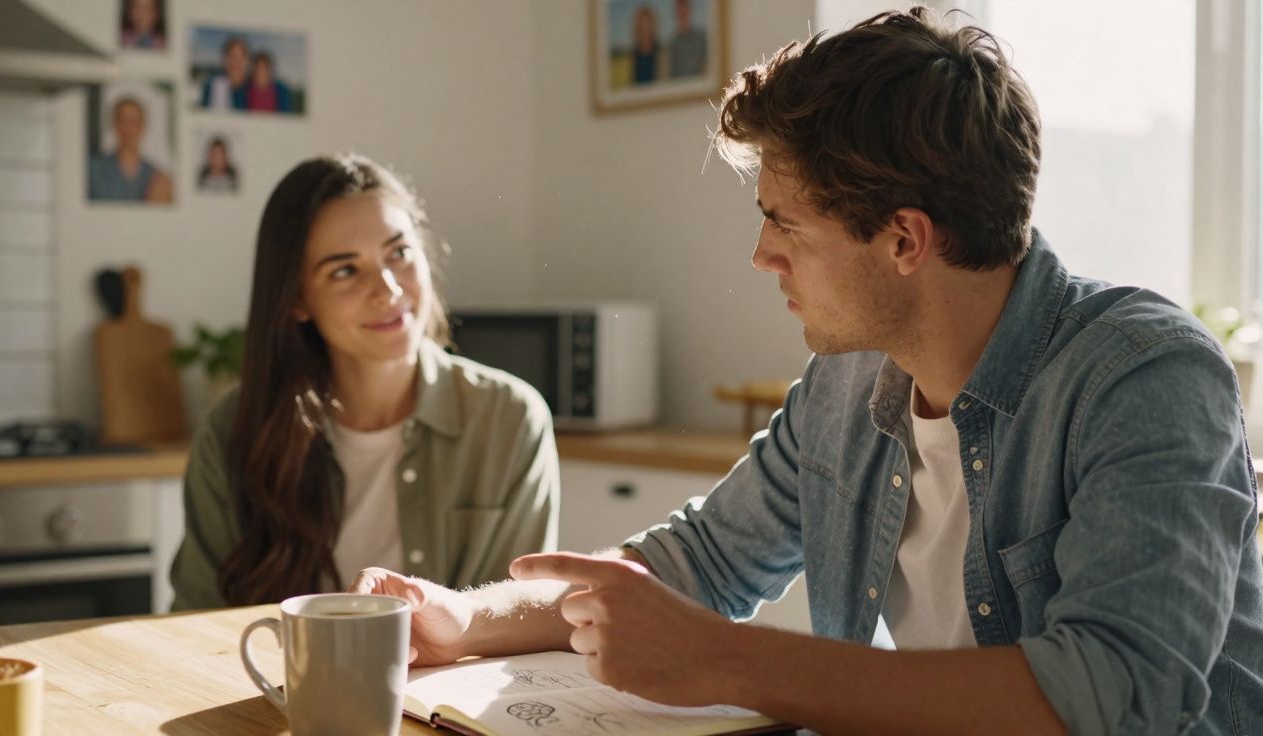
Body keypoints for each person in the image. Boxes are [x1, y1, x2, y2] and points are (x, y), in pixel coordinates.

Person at [352, 8, 1263, 734]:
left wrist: (722, 660)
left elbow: (1114, 698)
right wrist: (463, 619)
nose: (761, 255)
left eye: (785, 223)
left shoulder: (1146, 378)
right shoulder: (850, 383)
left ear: (904, 238)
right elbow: (697, 563)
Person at [171, 153, 559, 609]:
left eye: (399, 253)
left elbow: (517, 614)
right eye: (345, 270)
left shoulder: (509, 420)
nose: (389, 289)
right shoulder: (232, 429)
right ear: (297, 300)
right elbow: (197, 617)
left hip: (450, 682)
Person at [88, 96, 173, 203]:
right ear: (114, 124)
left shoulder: (156, 178)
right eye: (123, 121)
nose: (128, 128)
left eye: (134, 122)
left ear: (143, 126)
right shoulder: (93, 169)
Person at [199, 35, 249, 111]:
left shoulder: (252, 88)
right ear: (225, 60)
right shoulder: (212, 85)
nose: (236, 62)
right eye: (232, 56)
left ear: (246, 60)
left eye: (240, 57)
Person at [667, 0, 706, 78]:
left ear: (690, 13)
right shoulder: (673, 43)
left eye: (685, 13)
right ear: (676, 15)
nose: (683, 17)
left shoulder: (701, 38)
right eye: (680, 14)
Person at [630, 4, 659, 84]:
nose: (645, 30)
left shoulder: (661, 52)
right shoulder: (634, 54)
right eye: (642, 26)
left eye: (648, 25)